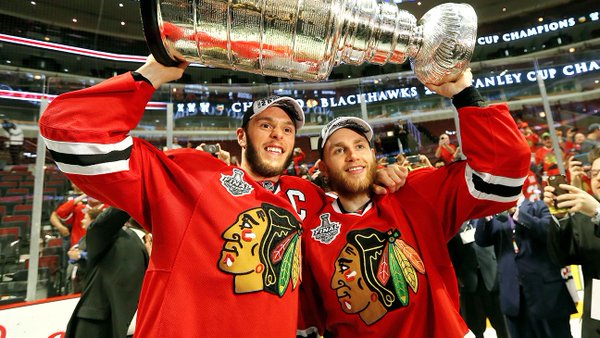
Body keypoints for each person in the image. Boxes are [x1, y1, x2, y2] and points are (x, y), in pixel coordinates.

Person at [39, 56, 406, 337]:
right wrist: (152, 73)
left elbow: (351, 221)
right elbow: (70, 135)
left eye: (287, 129)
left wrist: (379, 179)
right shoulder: (195, 175)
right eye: (265, 125)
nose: (278, 135)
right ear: (242, 136)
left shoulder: (307, 197)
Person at [298, 70, 531, 337]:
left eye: (360, 146)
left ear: (373, 156)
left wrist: (465, 95)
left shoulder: (413, 194)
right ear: (323, 168)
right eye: (339, 150)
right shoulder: (312, 233)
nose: (353, 156)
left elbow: (505, 176)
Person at [474, 199, 576, 338]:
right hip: (513, 299)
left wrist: (516, 212)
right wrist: (485, 215)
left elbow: (547, 231)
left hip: (546, 295)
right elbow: (481, 240)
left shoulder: (538, 206)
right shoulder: (497, 216)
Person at [65, 207, 151, 338]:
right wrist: (130, 200)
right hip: (100, 328)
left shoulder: (159, 247)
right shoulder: (115, 237)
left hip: (138, 330)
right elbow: (99, 227)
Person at [543, 145, 600, 338]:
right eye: (594, 173)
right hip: (596, 314)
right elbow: (561, 257)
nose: (598, 178)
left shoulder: (592, 211)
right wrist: (560, 216)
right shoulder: (585, 215)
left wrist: (598, 212)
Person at [447, 220, 509, 338]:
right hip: (469, 283)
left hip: (492, 277)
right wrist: (458, 277)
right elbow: (451, 252)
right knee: (475, 328)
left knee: (503, 326)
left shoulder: (486, 219)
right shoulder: (455, 223)